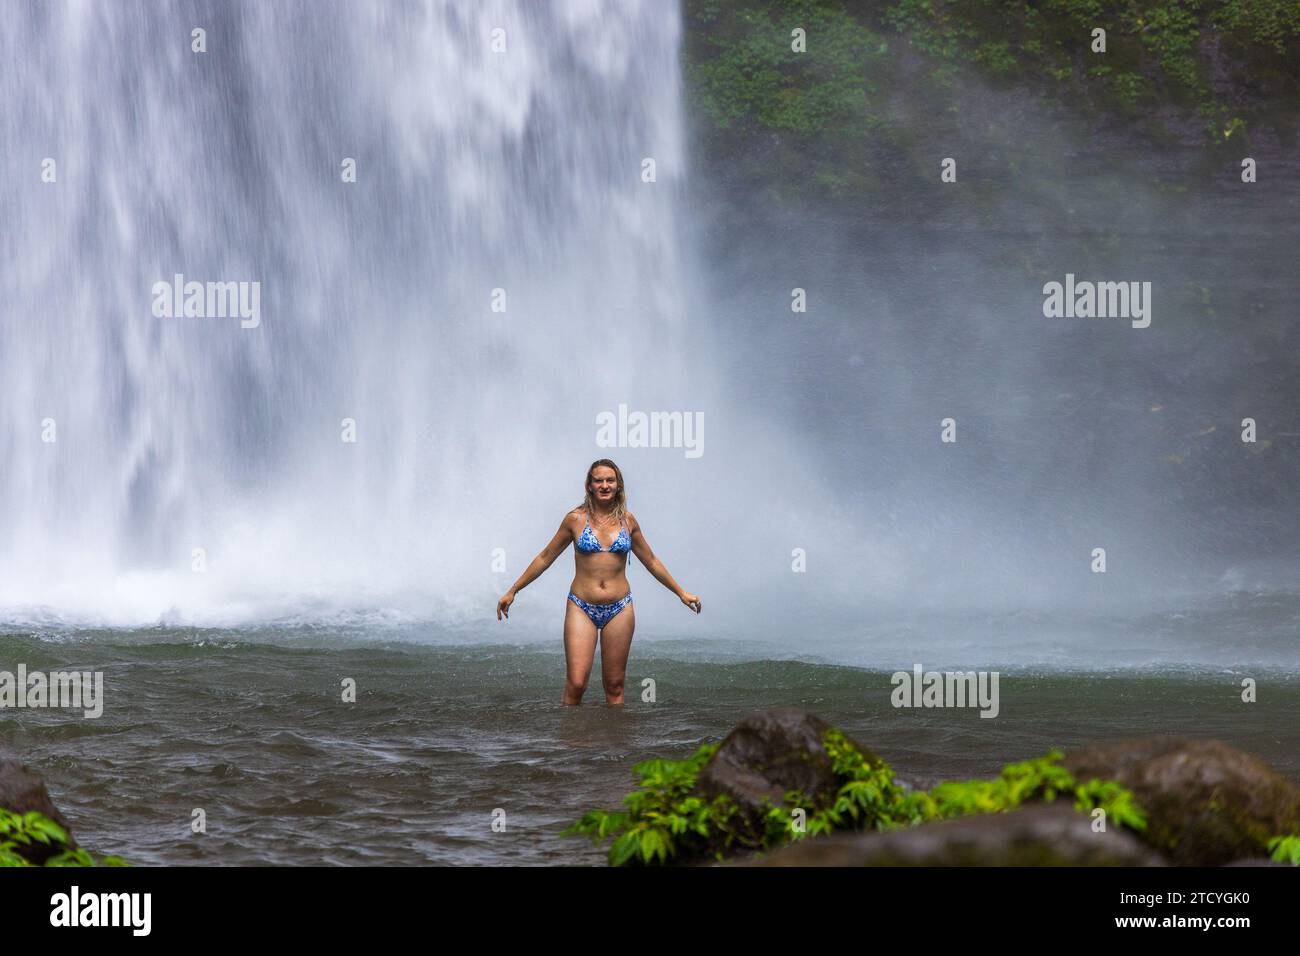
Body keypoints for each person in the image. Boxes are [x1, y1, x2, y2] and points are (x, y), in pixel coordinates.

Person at [496, 459, 701, 705]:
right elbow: (545, 556)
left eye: (610, 480)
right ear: (589, 486)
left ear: (618, 485)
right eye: (598, 480)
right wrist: (513, 590)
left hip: (619, 608)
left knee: (615, 685)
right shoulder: (575, 519)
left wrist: (680, 592)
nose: (604, 485)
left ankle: (616, 742)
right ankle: (570, 741)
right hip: (581, 606)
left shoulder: (628, 521)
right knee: (577, 684)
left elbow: (652, 561)